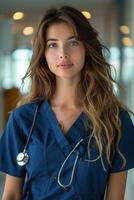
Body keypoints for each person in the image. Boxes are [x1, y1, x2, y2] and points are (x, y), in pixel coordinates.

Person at [0, 5, 134, 200]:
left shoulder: (115, 120)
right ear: (43, 54)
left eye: (73, 43)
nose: (62, 53)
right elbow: (11, 194)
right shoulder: (24, 119)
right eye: (52, 44)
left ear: (87, 48)